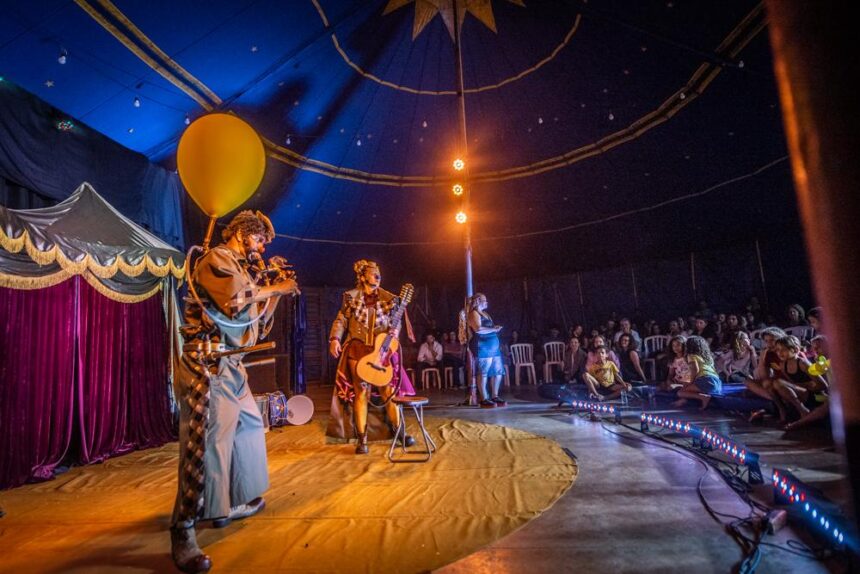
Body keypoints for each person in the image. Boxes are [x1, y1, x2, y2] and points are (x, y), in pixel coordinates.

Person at [172, 211, 299, 573]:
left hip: (232, 364)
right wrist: (277, 287)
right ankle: (183, 529)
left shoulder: (244, 270)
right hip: (207, 364)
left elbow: (257, 322)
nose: (262, 248)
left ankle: (229, 503)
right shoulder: (217, 258)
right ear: (243, 234)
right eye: (259, 240)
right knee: (206, 444)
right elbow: (236, 300)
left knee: (248, 427)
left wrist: (277, 292)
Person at [327, 260, 415, 454]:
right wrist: (335, 339)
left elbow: (396, 323)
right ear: (362, 276)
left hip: (380, 350)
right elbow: (341, 319)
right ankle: (362, 439)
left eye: (378, 272)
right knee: (360, 392)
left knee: (387, 391)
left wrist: (396, 332)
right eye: (373, 272)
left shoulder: (389, 298)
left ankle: (399, 432)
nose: (378, 275)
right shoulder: (350, 297)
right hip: (357, 349)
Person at [772, 335, 828, 425]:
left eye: (784, 349)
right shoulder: (783, 365)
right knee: (775, 385)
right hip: (801, 393)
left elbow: (823, 385)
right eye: (777, 350)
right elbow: (793, 384)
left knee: (778, 382)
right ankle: (789, 411)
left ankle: (803, 411)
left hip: (814, 395)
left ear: (795, 349)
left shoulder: (803, 363)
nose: (780, 353)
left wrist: (804, 386)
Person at [466, 293, 507, 408]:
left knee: (497, 371)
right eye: (484, 300)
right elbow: (478, 329)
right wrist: (493, 329)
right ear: (478, 301)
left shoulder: (485, 313)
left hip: (493, 346)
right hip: (483, 345)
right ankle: (484, 398)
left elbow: (489, 328)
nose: (487, 302)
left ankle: (495, 396)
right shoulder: (474, 313)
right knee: (483, 372)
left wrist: (494, 329)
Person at [745, 327, 788, 423]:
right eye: (766, 341)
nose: (769, 344)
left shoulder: (787, 351)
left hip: (788, 383)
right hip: (775, 384)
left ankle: (781, 404)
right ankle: (779, 400)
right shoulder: (768, 353)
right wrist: (762, 359)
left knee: (768, 384)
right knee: (748, 382)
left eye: (772, 340)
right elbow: (764, 377)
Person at [672, 336, 721, 410]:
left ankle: (703, 397)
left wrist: (690, 382)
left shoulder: (691, 356)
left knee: (681, 392)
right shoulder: (707, 358)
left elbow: (695, 370)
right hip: (717, 383)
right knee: (688, 390)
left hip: (705, 381)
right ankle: (685, 400)